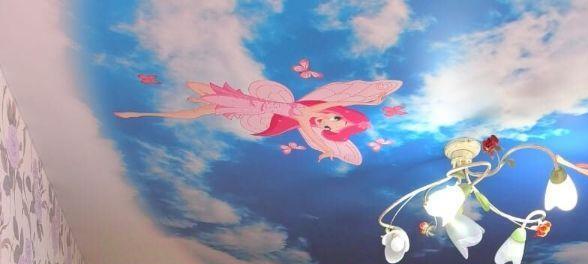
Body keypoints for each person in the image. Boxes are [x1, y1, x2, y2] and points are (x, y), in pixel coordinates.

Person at [116, 78, 402, 165]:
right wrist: (371, 99)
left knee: (201, 109)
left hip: (256, 113)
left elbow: (317, 137)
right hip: (253, 103)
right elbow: (346, 99)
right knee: (199, 91)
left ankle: (141, 114)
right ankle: (146, 102)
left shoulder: (305, 120)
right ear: (341, 113)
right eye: (336, 119)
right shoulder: (317, 107)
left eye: (330, 127)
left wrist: (328, 149)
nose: (328, 122)